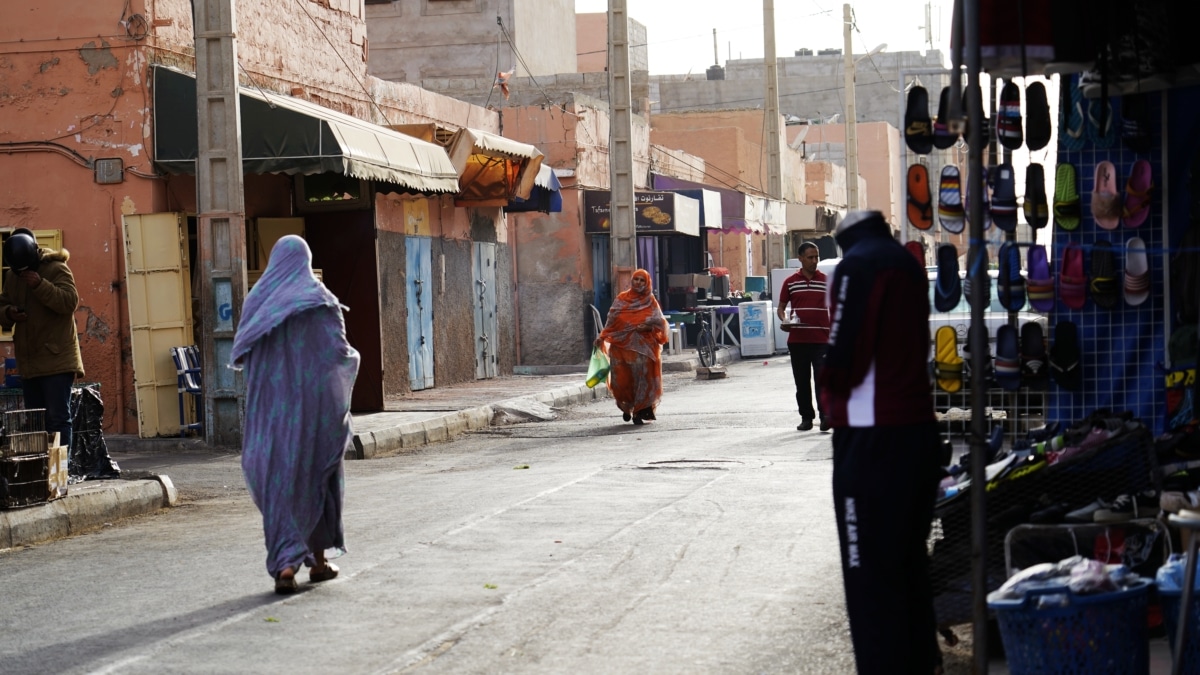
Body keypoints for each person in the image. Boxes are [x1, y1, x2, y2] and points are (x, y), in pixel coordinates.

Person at [818, 211, 942, 674]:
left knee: (869, 574)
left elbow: (845, 349)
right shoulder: (906, 262)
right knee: (908, 566)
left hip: (872, 438)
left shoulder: (859, 264)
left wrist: (828, 390)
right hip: (915, 431)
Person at [231, 235, 360, 594]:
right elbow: (339, 353)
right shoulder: (319, 301)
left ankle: (286, 566)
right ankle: (317, 562)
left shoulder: (257, 302)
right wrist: (353, 364)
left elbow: (244, 356)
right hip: (314, 418)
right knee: (317, 480)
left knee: (279, 488)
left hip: (269, 421)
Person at [0, 228, 84, 451]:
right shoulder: (12, 276)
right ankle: (41, 471)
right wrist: (9, 312)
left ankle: (61, 474)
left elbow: (69, 302)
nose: (23, 274)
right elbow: (3, 304)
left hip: (57, 359)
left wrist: (39, 284)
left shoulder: (56, 268)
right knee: (34, 421)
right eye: (19, 271)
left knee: (57, 419)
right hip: (30, 361)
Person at [594, 269, 669, 425]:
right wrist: (602, 336)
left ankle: (639, 412)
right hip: (622, 349)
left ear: (647, 283)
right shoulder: (621, 299)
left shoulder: (651, 301)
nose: (639, 283)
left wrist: (648, 327)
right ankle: (627, 407)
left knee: (644, 381)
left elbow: (660, 322)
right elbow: (612, 320)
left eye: (642, 280)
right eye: (636, 279)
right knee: (622, 382)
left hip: (645, 349)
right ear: (632, 281)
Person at [776, 242, 831, 432]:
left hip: (822, 340)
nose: (815, 261)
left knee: (822, 380)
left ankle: (825, 417)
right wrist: (785, 321)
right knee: (802, 381)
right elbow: (781, 308)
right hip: (798, 341)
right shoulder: (790, 282)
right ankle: (806, 418)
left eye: (817, 257)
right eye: (810, 257)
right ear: (800, 258)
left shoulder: (826, 281)